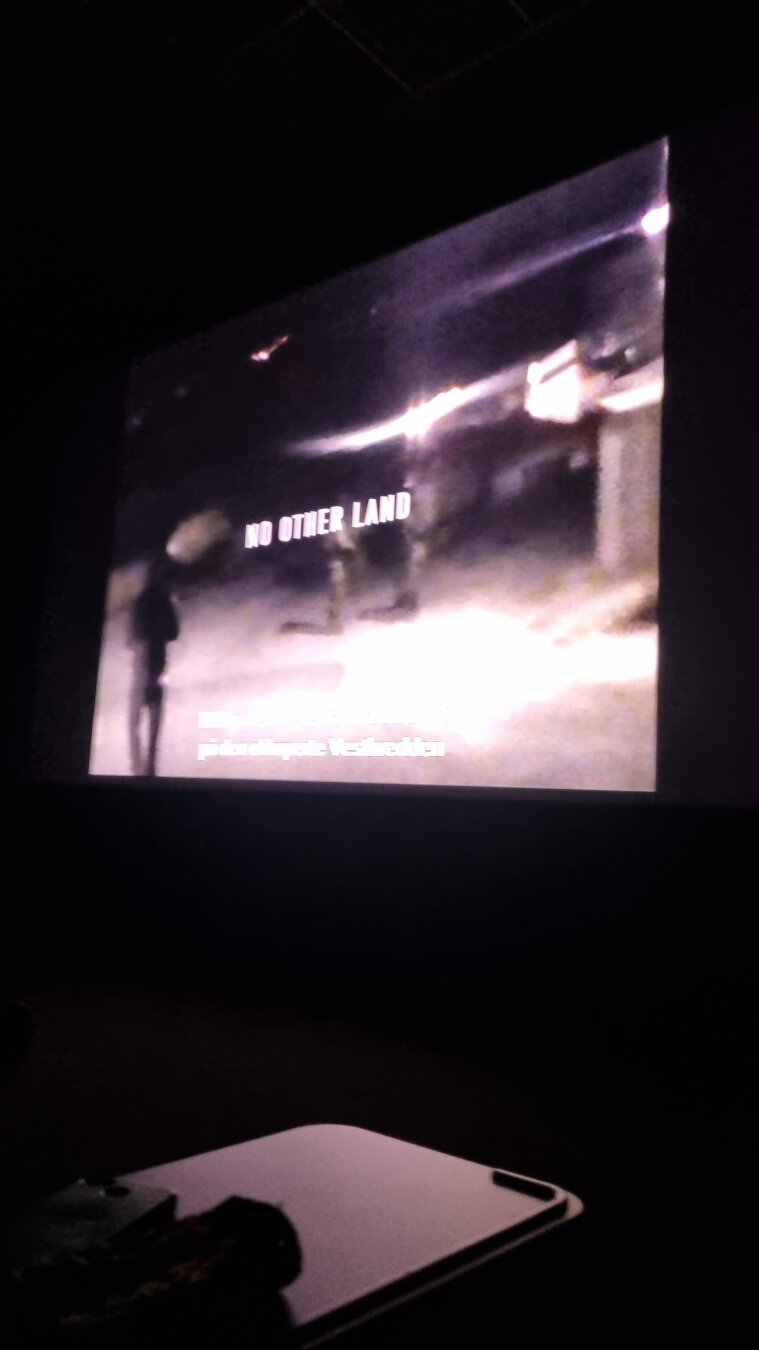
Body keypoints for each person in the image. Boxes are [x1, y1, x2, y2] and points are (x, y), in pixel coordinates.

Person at [128, 551, 180, 777]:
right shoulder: (164, 600)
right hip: (157, 659)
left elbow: (134, 636)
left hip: (144, 661)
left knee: (138, 717)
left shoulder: (142, 600)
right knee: (154, 713)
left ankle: (140, 765)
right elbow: (174, 633)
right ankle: (149, 764)